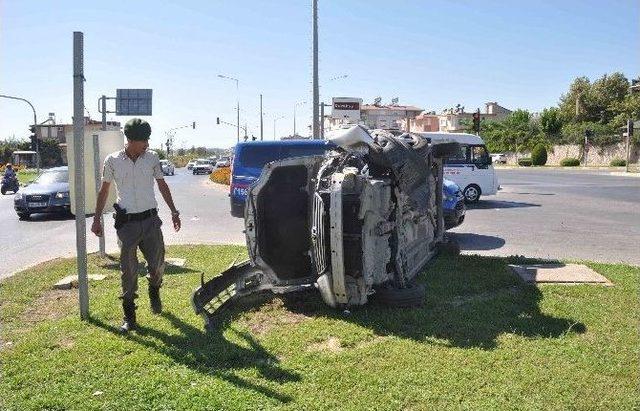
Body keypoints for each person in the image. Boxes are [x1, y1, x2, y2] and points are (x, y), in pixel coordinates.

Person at [91, 118, 181, 333]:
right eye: (144, 140)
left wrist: (174, 211)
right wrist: (96, 219)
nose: (147, 144)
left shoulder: (152, 158)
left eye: (148, 140)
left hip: (150, 221)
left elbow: (162, 185)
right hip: (127, 225)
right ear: (131, 140)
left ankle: (154, 287)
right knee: (128, 271)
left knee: (158, 265)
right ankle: (129, 316)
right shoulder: (112, 160)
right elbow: (104, 190)